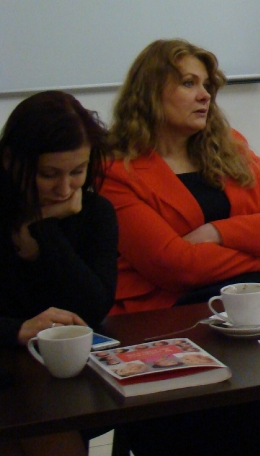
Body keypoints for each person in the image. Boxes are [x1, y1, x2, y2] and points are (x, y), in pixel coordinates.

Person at [102, 39, 260, 455]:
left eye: (207, 85)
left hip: (255, 297)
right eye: (189, 83)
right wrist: (251, 246)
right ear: (150, 92)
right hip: (172, 311)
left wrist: (214, 233)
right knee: (241, 402)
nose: (205, 95)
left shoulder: (230, 146)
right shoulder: (116, 170)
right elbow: (175, 266)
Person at [0, 91, 117, 455]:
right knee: (36, 424)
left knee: (46, 419)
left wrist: (44, 227)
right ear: (10, 161)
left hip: (60, 375)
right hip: (9, 364)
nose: (65, 189)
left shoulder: (95, 212)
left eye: (77, 172)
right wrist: (16, 329)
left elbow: (93, 306)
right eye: (48, 174)